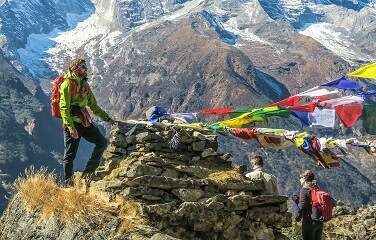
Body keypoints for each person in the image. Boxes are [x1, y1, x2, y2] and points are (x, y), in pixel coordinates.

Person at [59, 58, 114, 185]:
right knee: (70, 155)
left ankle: (88, 174)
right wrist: (71, 128)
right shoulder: (67, 84)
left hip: (84, 121)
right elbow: (64, 108)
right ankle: (68, 184)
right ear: (76, 68)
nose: (86, 69)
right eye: (83, 67)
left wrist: (107, 119)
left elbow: (94, 106)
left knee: (102, 142)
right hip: (72, 123)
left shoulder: (85, 85)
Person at [296, 170, 324, 240]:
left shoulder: (304, 189)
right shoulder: (316, 188)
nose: (299, 179)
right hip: (319, 222)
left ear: (304, 178)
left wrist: (298, 217)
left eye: (300, 177)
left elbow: (302, 206)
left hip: (309, 222)